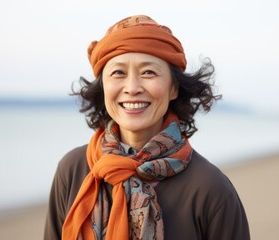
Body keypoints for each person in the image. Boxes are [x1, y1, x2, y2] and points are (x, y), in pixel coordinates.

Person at [44, 15, 250, 240]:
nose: (132, 88)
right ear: (103, 88)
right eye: (118, 73)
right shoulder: (73, 170)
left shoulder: (210, 189)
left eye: (148, 72)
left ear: (174, 88)